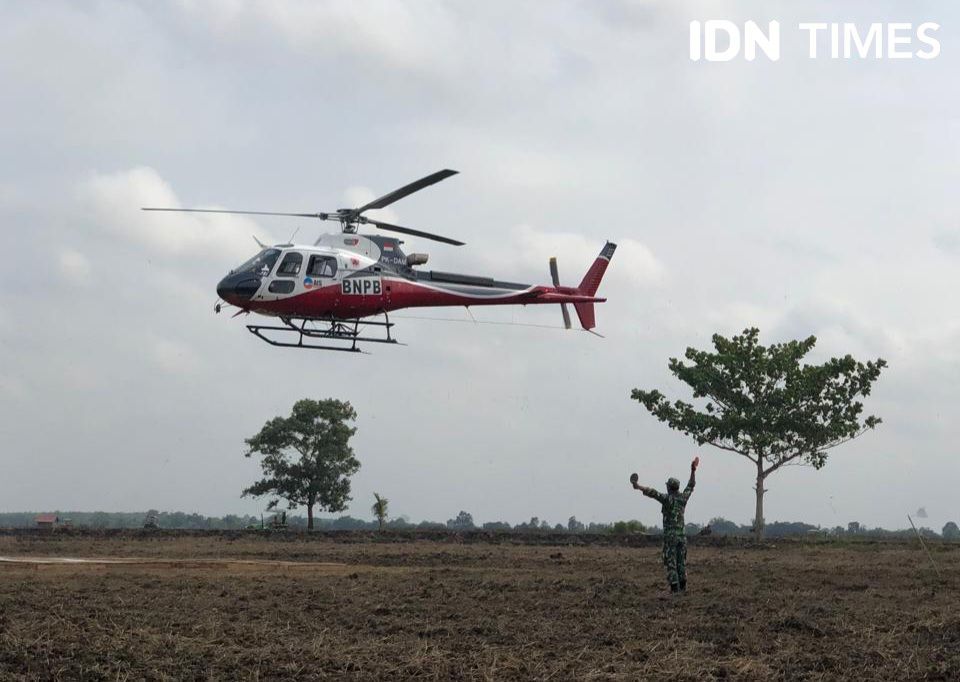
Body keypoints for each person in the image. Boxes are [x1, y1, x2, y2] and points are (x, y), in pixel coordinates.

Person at [630, 457, 699, 593]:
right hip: (682, 538)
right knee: (681, 563)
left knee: (671, 563)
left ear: (669, 487)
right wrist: (693, 470)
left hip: (670, 538)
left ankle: (674, 589)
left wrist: (637, 486)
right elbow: (691, 485)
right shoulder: (682, 498)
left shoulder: (667, 499)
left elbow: (653, 492)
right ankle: (683, 588)